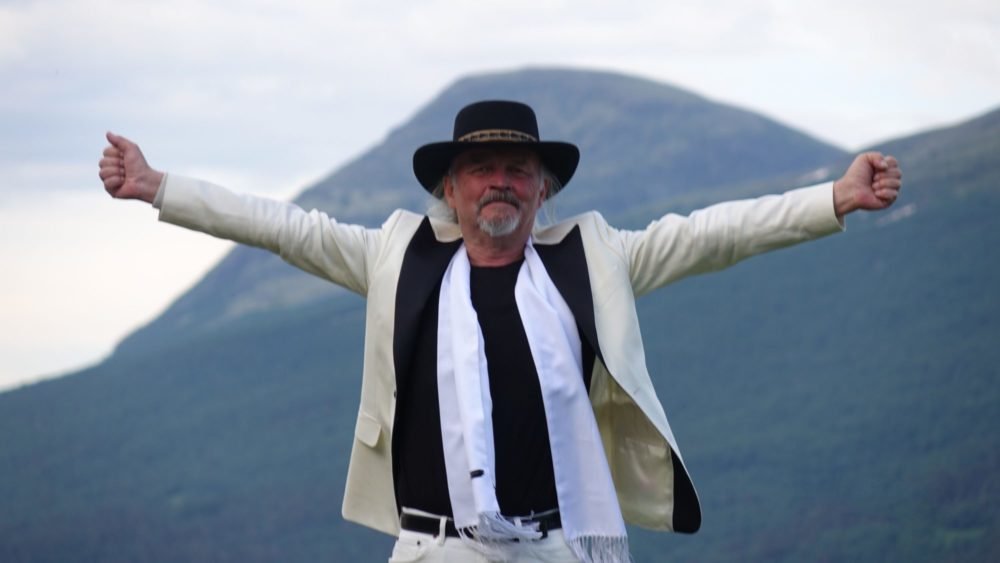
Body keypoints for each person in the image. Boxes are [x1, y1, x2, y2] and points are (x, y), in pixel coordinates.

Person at [99, 100, 902, 562]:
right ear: (450, 189)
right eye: (481, 169)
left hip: (559, 546)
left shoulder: (594, 259)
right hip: (436, 548)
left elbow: (714, 233)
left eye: (518, 169)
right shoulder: (397, 257)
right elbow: (281, 226)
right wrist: (159, 186)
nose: (501, 182)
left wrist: (833, 197)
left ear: (542, 190)